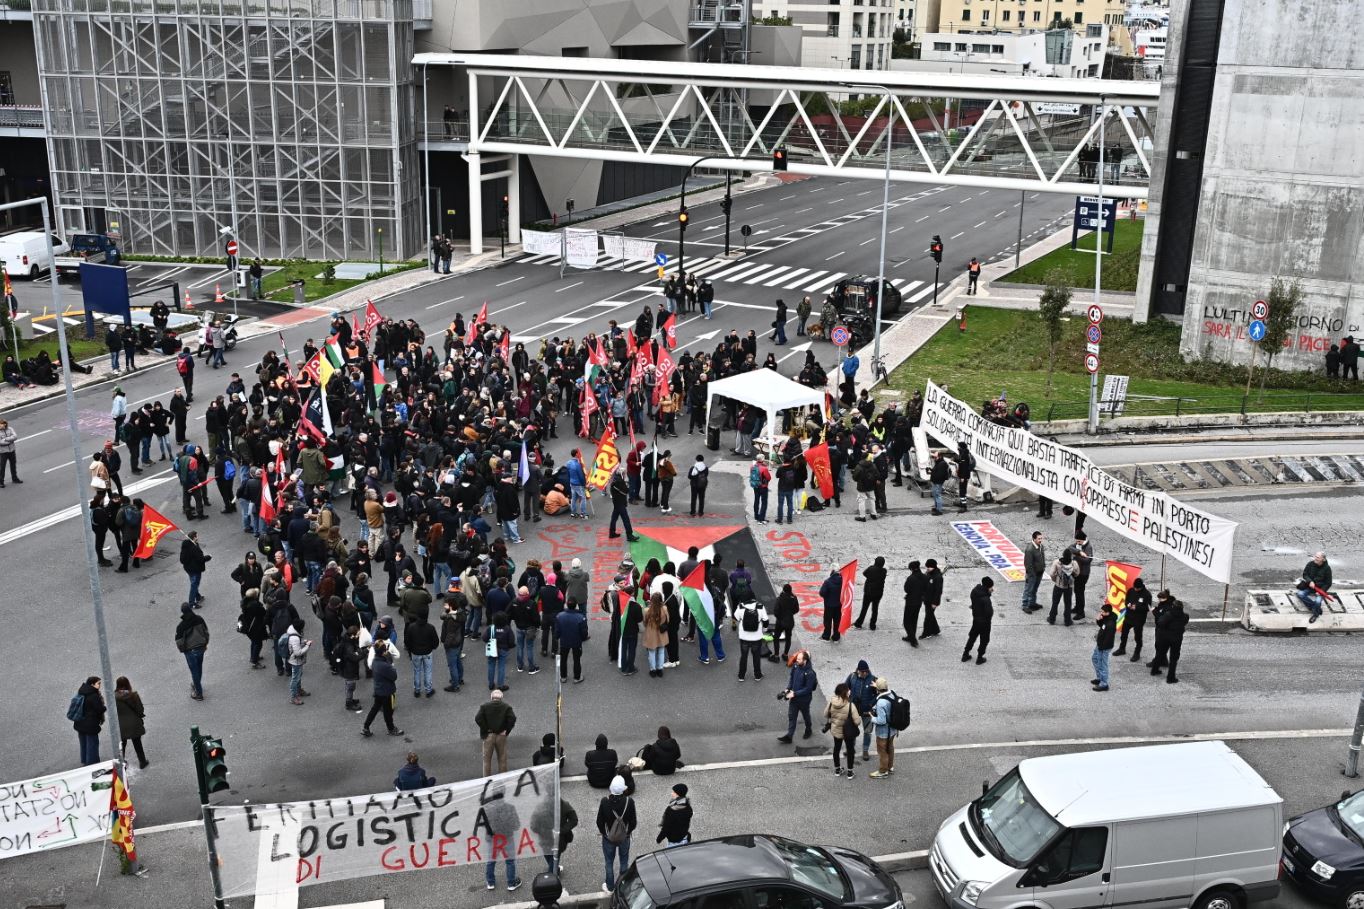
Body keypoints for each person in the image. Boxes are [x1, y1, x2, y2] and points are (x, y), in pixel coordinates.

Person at [597, 775, 637, 892]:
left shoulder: (605, 802)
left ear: (611, 788)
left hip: (609, 838)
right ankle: (623, 884)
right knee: (624, 860)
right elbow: (633, 822)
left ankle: (610, 887)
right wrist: (627, 833)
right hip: (624, 838)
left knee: (609, 862)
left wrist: (605, 833)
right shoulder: (629, 802)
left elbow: (599, 821)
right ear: (623, 789)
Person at [361, 641, 404, 737]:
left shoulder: (375, 662)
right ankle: (391, 729)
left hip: (378, 690)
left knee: (375, 708)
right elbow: (394, 676)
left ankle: (366, 726)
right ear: (383, 651)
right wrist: (390, 663)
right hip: (387, 691)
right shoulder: (384, 665)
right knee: (388, 711)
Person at [1149, 591, 1189, 683]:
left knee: (1160, 653)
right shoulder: (1185, 616)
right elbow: (1184, 623)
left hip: (1165, 637)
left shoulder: (1168, 615)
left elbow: (1160, 623)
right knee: (1173, 659)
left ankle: (1154, 670)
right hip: (1177, 639)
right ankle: (1170, 678)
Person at [777, 650, 817, 743]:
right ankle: (789, 736)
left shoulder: (810, 673)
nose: (796, 660)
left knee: (806, 715)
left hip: (804, 700)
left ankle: (808, 729)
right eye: (797, 658)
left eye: (799, 659)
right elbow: (792, 678)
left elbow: (808, 689)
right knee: (792, 716)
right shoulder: (795, 666)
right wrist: (788, 689)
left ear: (805, 660)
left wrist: (794, 693)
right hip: (794, 698)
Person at [823, 682, 860, 779]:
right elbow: (857, 722)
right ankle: (850, 772)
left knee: (837, 749)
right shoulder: (850, 705)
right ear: (846, 693)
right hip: (848, 732)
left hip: (836, 730)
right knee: (850, 750)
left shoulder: (832, 702)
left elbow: (826, 714)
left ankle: (837, 770)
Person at [475, 688, 516, 775]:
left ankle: (486, 779)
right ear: (501, 698)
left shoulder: (484, 706)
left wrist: (485, 729)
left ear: (491, 697)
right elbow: (512, 719)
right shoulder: (507, 707)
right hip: (501, 735)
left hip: (488, 735)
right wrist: (506, 731)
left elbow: (478, 718)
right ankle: (502, 778)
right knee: (502, 758)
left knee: (486, 760)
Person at [174, 602, 210, 700]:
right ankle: (196, 684)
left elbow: (179, 641)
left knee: (194, 671)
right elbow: (206, 632)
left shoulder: (181, 626)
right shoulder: (199, 619)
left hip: (190, 651)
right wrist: (205, 643)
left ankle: (199, 693)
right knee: (199, 667)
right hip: (201, 647)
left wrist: (183, 650)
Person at [114, 676, 149, 769]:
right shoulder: (133, 695)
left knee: (122, 745)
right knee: (137, 743)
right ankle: (142, 762)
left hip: (121, 725)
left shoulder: (114, 697)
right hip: (134, 724)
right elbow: (140, 709)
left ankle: (121, 764)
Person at [72, 676, 106, 766]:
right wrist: (104, 707)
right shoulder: (93, 695)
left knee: (84, 744)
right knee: (92, 745)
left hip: (80, 723)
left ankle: (85, 761)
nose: (100, 685)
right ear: (92, 684)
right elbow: (99, 709)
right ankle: (92, 765)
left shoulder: (82, 691)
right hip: (90, 725)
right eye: (98, 683)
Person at [1114, 577, 1151, 660]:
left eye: (1137, 588)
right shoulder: (1131, 590)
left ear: (1141, 587)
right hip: (1129, 617)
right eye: (1134, 587)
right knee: (1124, 633)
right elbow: (1126, 601)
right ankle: (1122, 648)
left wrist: (1137, 607)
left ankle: (1137, 653)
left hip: (1139, 619)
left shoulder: (1147, 594)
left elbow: (1147, 608)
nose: (1135, 589)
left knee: (1137, 637)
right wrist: (1128, 605)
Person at [869, 677, 898, 779]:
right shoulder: (892, 694)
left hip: (883, 732)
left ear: (878, 689)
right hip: (894, 729)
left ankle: (882, 771)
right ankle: (890, 767)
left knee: (882, 751)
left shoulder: (881, 703)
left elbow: (881, 721)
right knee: (890, 748)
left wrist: (872, 718)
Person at [734, 595, 768, 681]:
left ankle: (741, 676)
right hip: (756, 637)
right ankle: (757, 675)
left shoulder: (740, 606)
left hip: (744, 637)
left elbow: (736, 618)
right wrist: (764, 629)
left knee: (743, 656)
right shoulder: (760, 606)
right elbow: (766, 620)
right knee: (756, 656)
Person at [405, 611, 439, 698]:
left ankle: (417, 690)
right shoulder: (430, 627)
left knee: (417, 671)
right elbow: (436, 641)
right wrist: (432, 647)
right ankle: (428, 690)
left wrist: (410, 650)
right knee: (428, 671)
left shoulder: (411, 627)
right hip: (427, 652)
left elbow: (407, 641)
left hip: (415, 652)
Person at [962, 576, 994, 665]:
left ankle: (965, 654)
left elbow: (974, 602)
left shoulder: (974, 591)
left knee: (972, 637)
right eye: (991, 587)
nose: (992, 589)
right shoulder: (986, 599)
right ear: (987, 587)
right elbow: (989, 613)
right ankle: (979, 658)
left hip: (976, 620)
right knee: (984, 640)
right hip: (985, 623)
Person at [1295, 551, 1333, 623]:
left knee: (1318, 601)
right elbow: (1305, 574)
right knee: (1300, 594)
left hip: (1320, 589)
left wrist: (1322, 590)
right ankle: (1316, 609)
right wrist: (1310, 581)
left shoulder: (1327, 568)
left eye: (1317, 557)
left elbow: (1328, 583)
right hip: (1310, 586)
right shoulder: (1310, 564)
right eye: (1315, 556)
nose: (1315, 558)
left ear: (1323, 559)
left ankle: (1315, 615)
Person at [556, 602, 588, 684]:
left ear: (567, 605)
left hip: (564, 641)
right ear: (576, 605)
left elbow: (557, 630)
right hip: (576, 642)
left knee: (563, 659)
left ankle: (563, 677)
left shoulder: (560, 616)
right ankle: (577, 677)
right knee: (576, 659)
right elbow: (584, 632)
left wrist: (557, 637)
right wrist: (583, 639)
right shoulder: (581, 617)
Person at [284, 617, 313, 705]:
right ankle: (294, 697)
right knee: (295, 678)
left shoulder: (292, 631)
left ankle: (299, 690)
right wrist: (307, 645)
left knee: (298, 675)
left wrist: (303, 642)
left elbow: (294, 646)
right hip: (295, 660)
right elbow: (298, 652)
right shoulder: (295, 638)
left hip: (295, 659)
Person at [1047, 549, 1079, 626]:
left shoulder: (1057, 562)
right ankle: (1067, 621)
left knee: (1055, 602)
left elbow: (1051, 574)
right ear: (1071, 556)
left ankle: (1052, 618)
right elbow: (1077, 573)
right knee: (1068, 604)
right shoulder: (1074, 563)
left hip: (1058, 586)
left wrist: (1056, 580)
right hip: (1069, 587)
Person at [483, 612, 514, 691]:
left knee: (491, 665)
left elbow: (484, 638)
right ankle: (500, 685)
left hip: (493, 649)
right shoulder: (507, 628)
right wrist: (509, 647)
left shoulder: (491, 628)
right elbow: (511, 641)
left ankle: (491, 684)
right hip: (503, 649)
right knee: (501, 666)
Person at [440, 597, 466, 692]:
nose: (444, 606)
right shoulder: (459, 614)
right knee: (458, 661)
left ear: (450, 606)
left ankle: (455, 685)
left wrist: (446, 644)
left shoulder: (451, 620)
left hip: (452, 644)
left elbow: (450, 635)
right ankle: (459, 679)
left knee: (452, 665)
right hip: (458, 642)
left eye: (446, 604)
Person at [607, 465, 639, 542]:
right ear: (621, 474)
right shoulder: (619, 481)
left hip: (616, 502)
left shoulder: (616, 480)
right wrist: (629, 485)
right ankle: (629, 535)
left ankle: (612, 532)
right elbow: (626, 491)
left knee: (614, 518)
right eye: (624, 473)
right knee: (626, 519)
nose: (625, 474)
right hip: (620, 502)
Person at [854, 556, 887, 629]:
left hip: (868, 592)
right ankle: (872, 625)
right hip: (878, 593)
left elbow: (864, 573)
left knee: (864, 608)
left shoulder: (871, 569)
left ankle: (859, 623)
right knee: (875, 609)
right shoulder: (884, 571)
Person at [180, 529, 210, 608]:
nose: (198, 537)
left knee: (194, 583)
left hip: (188, 569)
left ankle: (198, 597)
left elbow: (182, 559)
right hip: (195, 569)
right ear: (194, 537)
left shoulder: (185, 546)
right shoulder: (194, 547)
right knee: (194, 585)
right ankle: (192, 603)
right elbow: (200, 559)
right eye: (197, 536)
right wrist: (208, 557)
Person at [642, 592, 670, 678]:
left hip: (651, 633)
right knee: (661, 651)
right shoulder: (664, 608)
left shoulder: (646, 610)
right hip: (662, 633)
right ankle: (660, 669)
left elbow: (645, 623)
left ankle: (653, 670)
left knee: (651, 652)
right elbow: (668, 620)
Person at [770, 583, 799, 663]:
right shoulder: (794, 598)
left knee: (776, 638)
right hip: (790, 621)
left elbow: (776, 611)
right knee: (788, 638)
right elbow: (796, 609)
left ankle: (776, 656)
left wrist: (780, 617)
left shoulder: (780, 598)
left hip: (780, 622)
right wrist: (790, 614)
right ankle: (785, 655)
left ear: (783, 590)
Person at [1069, 531, 1094, 619]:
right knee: (1076, 591)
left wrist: (1076, 556)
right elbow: (1070, 547)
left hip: (1083, 574)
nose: (1077, 543)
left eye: (1078, 541)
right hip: (1077, 572)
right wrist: (1079, 552)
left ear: (1083, 540)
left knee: (1080, 593)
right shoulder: (1079, 544)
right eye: (1076, 541)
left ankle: (1081, 613)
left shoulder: (1088, 547)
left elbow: (1088, 561)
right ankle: (1077, 607)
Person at [1022, 531, 1045, 613]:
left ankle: (1032, 603)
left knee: (1034, 589)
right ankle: (1025, 605)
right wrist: (1032, 575)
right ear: (1034, 539)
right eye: (1039, 538)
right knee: (1028, 590)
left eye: (1041, 538)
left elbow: (1042, 558)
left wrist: (1043, 568)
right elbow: (1028, 564)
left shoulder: (1040, 546)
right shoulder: (1030, 549)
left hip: (1039, 573)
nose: (1040, 540)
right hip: (1033, 574)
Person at [818, 568, 843, 642]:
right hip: (839, 605)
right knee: (837, 621)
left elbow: (822, 593)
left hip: (829, 605)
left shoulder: (828, 582)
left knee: (827, 621)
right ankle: (836, 637)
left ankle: (826, 636)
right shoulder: (842, 581)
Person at [921, 558, 943, 639]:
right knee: (930, 615)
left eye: (928, 567)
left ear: (933, 567)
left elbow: (938, 591)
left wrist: (935, 603)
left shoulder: (938, 577)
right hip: (926, 599)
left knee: (928, 617)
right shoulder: (929, 573)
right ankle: (936, 630)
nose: (927, 569)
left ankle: (926, 633)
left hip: (932, 601)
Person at [748, 453, 771, 525]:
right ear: (762, 459)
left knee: (756, 500)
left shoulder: (752, 466)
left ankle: (756, 516)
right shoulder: (764, 468)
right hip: (763, 487)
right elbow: (768, 478)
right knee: (764, 502)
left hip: (755, 486)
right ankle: (761, 519)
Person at [0, 418, 21, 486]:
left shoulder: (10, 429)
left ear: (5, 424)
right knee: (2, 467)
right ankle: (1, 482)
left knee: (13, 465)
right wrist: (10, 440)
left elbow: (15, 436)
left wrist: (6, 439)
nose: (0, 426)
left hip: (12, 450)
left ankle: (14, 478)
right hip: (3, 452)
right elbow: (1, 442)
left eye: (1, 424)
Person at [928, 450, 950, 516]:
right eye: (934, 457)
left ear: (940, 456)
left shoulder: (942, 463)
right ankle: (936, 508)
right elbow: (936, 471)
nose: (934, 458)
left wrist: (933, 475)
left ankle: (939, 510)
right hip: (935, 482)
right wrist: (931, 470)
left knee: (937, 495)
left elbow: (940, 475)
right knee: (935, 495)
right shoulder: (938, 462)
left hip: (938, 482)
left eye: (935, 457)